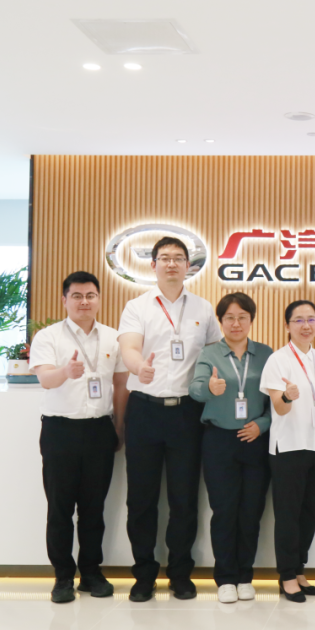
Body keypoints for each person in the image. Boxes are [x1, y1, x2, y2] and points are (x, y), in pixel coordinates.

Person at [117, 236, 222, 602]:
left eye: (179, 258)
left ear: (188, 266)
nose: (172, 264)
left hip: (187, 413)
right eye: (165, 258)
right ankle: (144, 575)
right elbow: (129, 347)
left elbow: (214, 355)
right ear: (153, 265)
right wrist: (138, 367)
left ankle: (180, 573)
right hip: (144, 409)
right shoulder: (137, 306)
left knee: (184, 499)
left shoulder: (203, 308)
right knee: (141, 500)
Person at [30, 271, 129, 604]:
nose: (84, 302)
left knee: (93, 509)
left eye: (90, 295)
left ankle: (91, 573)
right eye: (77, 296)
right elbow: (45, 379)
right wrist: (66, 372)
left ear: (98, 299)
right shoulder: (48, 337)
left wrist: (119, 428)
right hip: (60, 430)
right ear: (65, 300)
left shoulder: (113, 338)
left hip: (100, 429)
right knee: (60, 509)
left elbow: (120, 385)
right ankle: (62, 577)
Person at [188, 293, 272, 605]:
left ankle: (245, 576)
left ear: (251, 320)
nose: (236, 323)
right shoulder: (210, 353)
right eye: (229, 318)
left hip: (255, 440)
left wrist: (262, 424)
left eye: (242, 317)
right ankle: (225, 578)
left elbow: (274, 401)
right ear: (221, 321)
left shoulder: (265, 354)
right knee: (224, 511)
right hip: (219, 441)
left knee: (251, 511)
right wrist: (209, 388)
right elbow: (195, 390)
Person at [260, 300, 315, 603]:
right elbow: (278, 408)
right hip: (289, 447)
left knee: (309, 512)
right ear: (287, 325)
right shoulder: (277, 360)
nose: (306, 325)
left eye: (311, 319)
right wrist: (287, 396)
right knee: (288, 514)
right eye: (299, 320)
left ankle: (299, 570)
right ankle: (287, 576)